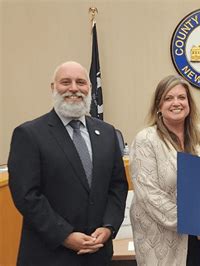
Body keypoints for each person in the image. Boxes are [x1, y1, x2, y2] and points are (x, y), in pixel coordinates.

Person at [8, 61, 128, 265]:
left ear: (89, 88)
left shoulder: (107, 133)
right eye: (66, 82)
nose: (74, 88)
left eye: (81, 82)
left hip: (98, 254)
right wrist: (64, 235)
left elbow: (117, 186)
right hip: (49, 254)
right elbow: (27, 196)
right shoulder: (29, 134)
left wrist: (109, 227)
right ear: (53, 87)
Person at [129, 75, 200, 266]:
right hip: (163, 241)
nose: (176, 103)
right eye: (168, 98)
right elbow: (148, 196)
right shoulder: (146, 139)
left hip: (199, 239)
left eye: (181, 97)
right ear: (158, 106)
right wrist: (194, 223)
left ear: (189, 103)